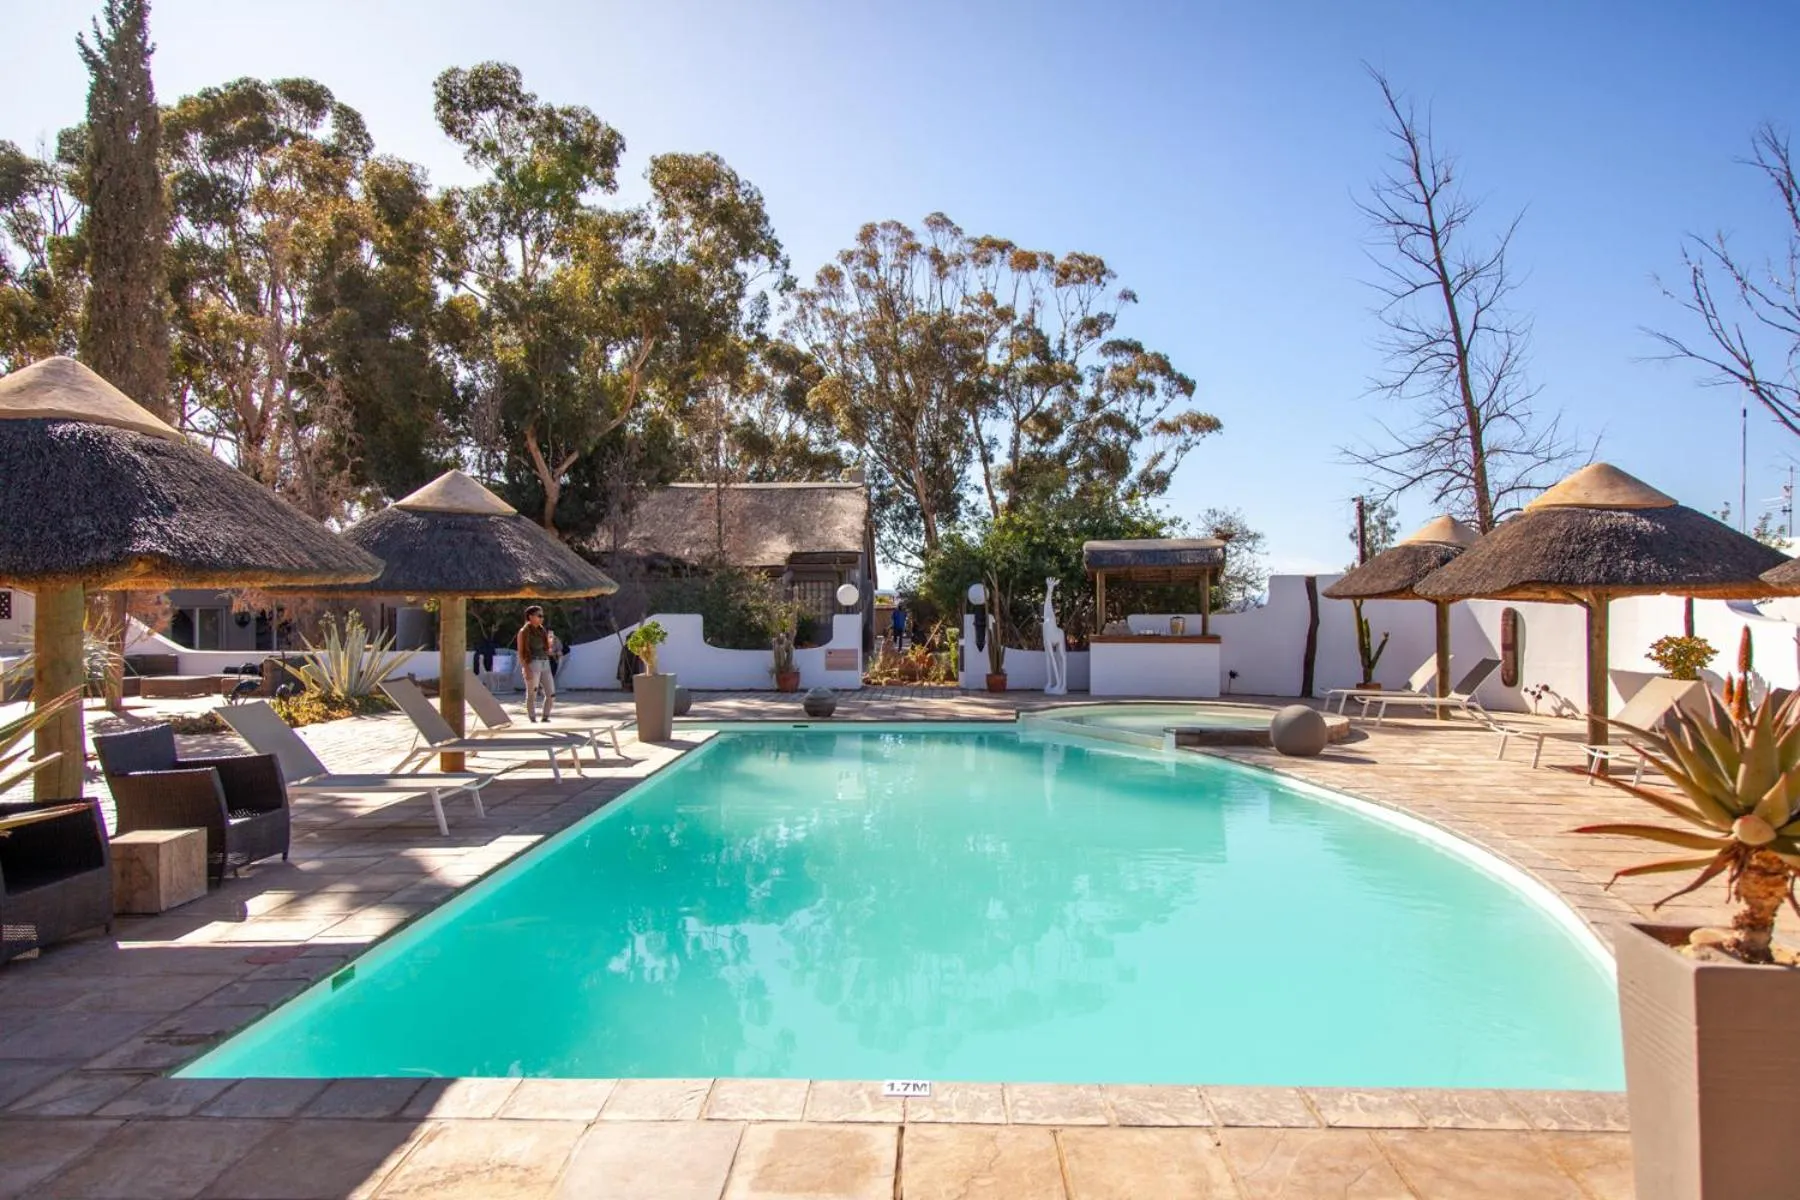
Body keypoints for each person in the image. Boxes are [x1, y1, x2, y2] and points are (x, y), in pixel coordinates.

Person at [516, 605, 555, 722]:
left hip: (544, 662)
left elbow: (547, 649)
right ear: (531, 617)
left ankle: (545, 716)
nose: (542, 618)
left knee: (551, 693)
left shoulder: (542, 630)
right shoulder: (524, 631)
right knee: (532, 693)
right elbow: (521, 652)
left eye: (542, 616)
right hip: (532, 663)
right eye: (539, 616)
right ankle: (532, 718)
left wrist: (549, 645)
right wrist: (526, 668)